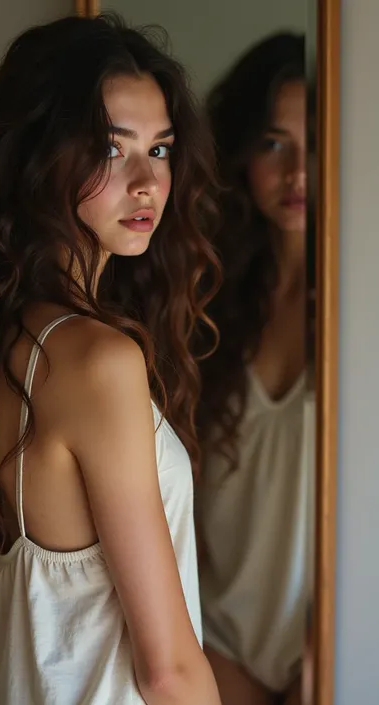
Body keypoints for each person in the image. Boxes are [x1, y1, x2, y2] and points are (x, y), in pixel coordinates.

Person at [0, 14, 223, 705]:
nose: (147, 182)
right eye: (111, 149)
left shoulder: (20, 338)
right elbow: (167, 670)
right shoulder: (96, 359)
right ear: (40, 158)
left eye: (161, 150)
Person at [196, 32, 311, 705]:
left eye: (315, 140)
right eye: (273, 143)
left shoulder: (363, 308)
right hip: (214, 645)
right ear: (241, 154)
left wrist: (338, 645)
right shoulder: (206, 303)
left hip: (338, 639)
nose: (298, 170)